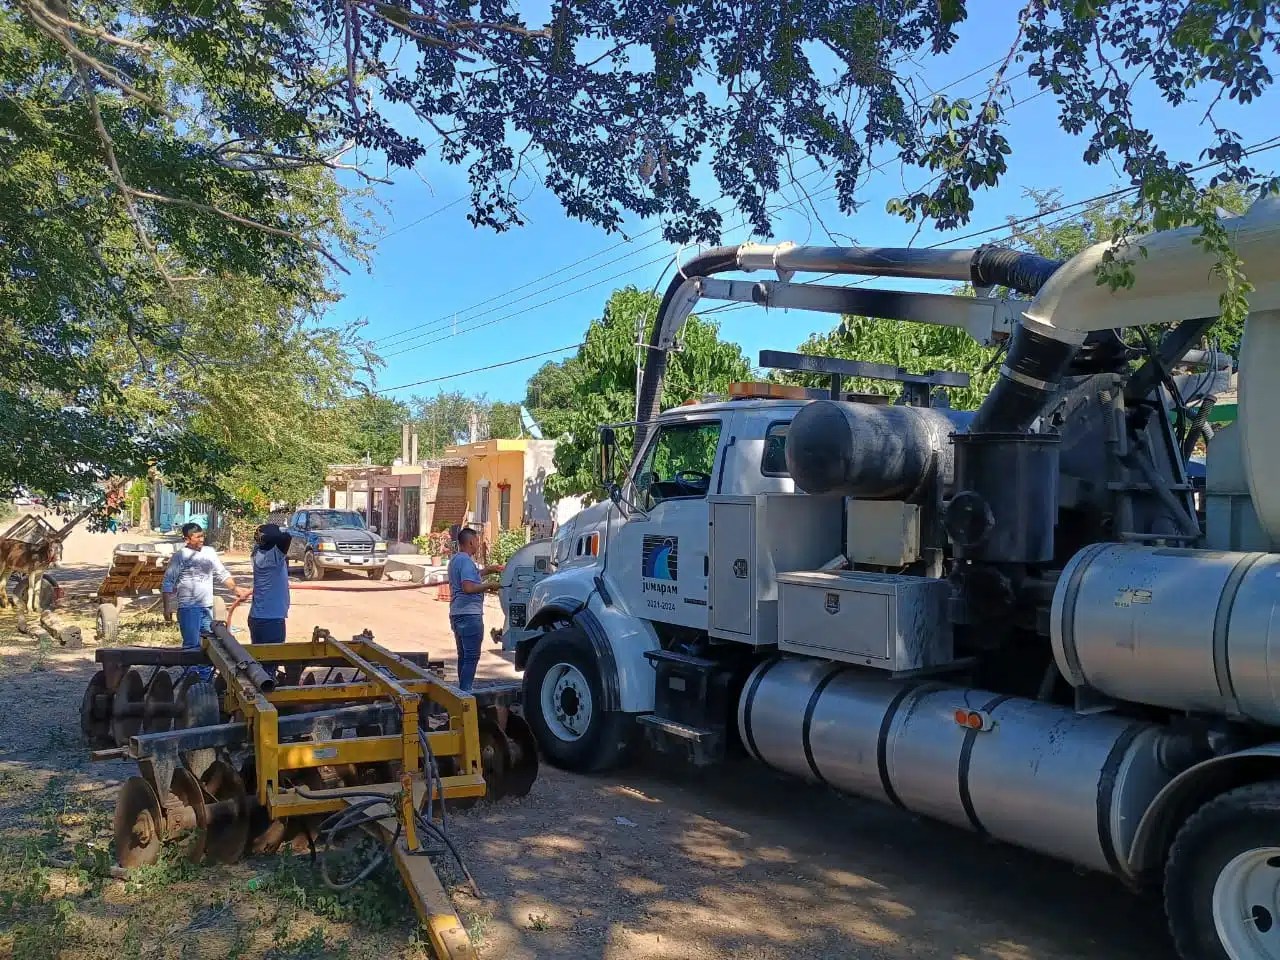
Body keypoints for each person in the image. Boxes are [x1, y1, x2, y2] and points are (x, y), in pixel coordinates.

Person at [162, 523, 247, 678]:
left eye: (202, 535)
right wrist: (166, 607)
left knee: (209, 644)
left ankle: (205, 679)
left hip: (206, 607)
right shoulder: (180, 556)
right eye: (197, 537)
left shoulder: (209, 552)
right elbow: (168, 582)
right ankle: (190, 679)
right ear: (187, 539)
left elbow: (222, 573)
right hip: (188, 608)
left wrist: (235, 589)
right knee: (191, 646)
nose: (202, 539)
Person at [447, 528, 503, 691]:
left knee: (463, 656)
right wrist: (490, 585)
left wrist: (488, 570)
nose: (479, 544)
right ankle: (465, 693)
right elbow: (468, 587)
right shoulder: (465, 561)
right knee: (471, 657)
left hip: (457, 614)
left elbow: (470, 577)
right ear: (471, 542)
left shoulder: (456, 560)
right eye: (477, 541)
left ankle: (461, 692)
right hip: (469, 615)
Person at [248, 523, 291, 644]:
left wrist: (266, 536)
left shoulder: (257, 552)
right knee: (271, 659)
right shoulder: (273, 557)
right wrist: (272, 535)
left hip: (258, 617)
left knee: (260, 659)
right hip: (271, 620)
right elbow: (286, 538)